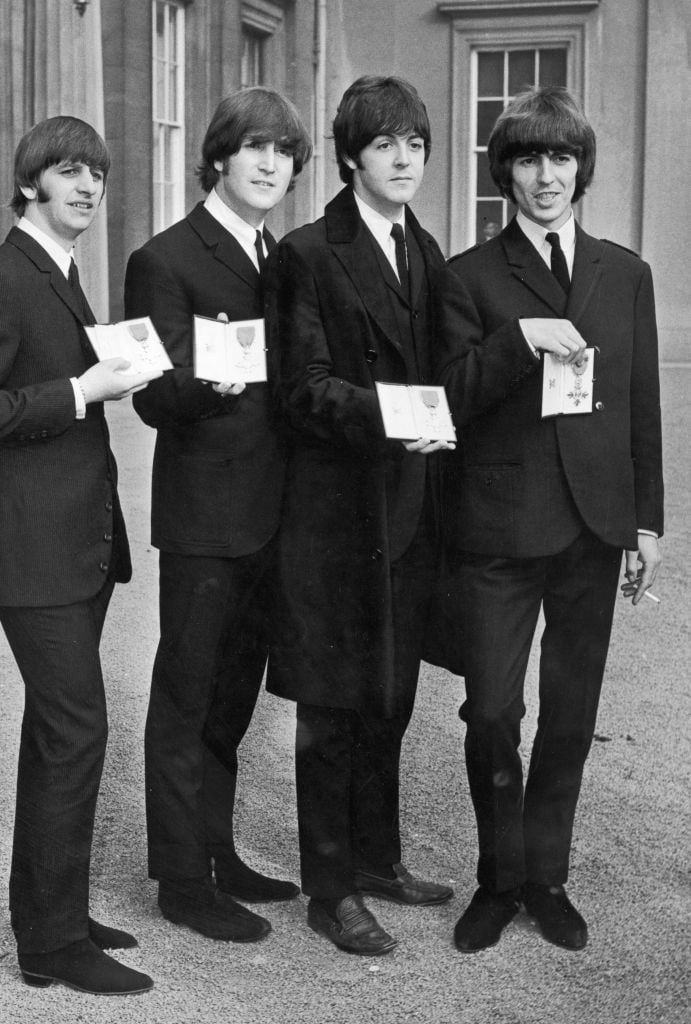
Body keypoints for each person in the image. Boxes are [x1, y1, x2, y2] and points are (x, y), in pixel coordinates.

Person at [435, 85, 664, 953]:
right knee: (492, 711)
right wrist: (515, 341)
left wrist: (645, 525)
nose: (545, 176)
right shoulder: (468, 276)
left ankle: (546, 878)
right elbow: (449, 399)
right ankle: (497, 881)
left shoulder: (625, 272)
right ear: (505, 172)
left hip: (595, 528)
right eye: (528, 159)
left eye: (560, 157)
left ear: (581, 168)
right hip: (498, 526)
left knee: (569, 713)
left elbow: (640, 403)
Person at [0, 116, 157, 995]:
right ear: (29, 182)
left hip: (75, 544)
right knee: (76, 728)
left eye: (96, 174)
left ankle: (51, 913)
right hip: (34, 549)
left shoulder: (59, 272)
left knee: (55, 729)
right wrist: (79, 391)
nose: (88, 188)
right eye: (69, 172)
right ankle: (52, 946)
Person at [264, 75, 455, 957]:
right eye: (385, 145)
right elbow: (301, 391)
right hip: (337, 517)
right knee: (333, 710)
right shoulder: (306, 253)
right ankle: (329, 888)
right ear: (349, 158)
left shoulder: (424, 249)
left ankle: (377, 861)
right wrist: (398, 416)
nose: (404, 157)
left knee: (391, 698)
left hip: (408, 510)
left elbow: (453, 367)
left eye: (414, 143)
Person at [123, 88, 312, 943]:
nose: (270, 165)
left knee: (235, 695)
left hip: (274, 514)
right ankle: (178, 878)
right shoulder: (164, 258)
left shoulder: (281, 254)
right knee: (186, 694)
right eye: (255, 149)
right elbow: (154, 398)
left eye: (283, 153)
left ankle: (216, 849)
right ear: (219, 158)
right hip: (205, 515)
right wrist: (214, 378)